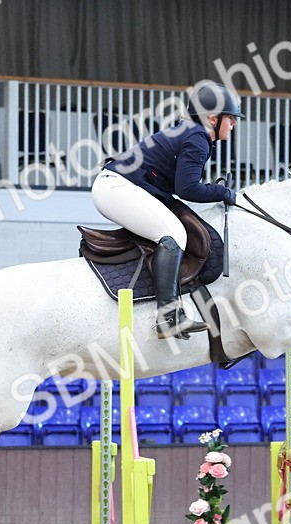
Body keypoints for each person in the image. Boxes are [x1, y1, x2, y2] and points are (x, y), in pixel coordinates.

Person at [92, 80, 242, 339]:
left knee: (174, 227)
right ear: (214, 118)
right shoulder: (198, 137)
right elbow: (188, 189)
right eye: (231, 118)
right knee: (174, 233)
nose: (234, 124)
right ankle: (168, 317)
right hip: (117, 188)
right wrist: (222, 192)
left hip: (120, 186)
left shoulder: (191, 132)